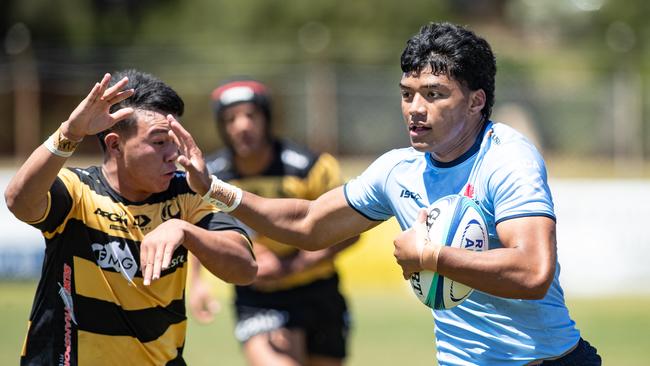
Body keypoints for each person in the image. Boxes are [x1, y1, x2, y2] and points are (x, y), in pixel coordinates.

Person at [141, 23, 606, 364]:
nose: (415, 109)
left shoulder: (507, 157)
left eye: (434, 94)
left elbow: (533, 271)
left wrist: (433, 257)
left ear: (476, 100)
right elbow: (307, 224)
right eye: (407, 94)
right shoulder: (397, 171)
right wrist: (217, 189)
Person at [3, 69, 257, 365]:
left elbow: (245, 269)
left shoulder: (187, 193)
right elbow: (18, 201)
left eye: (175, 141)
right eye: (160, 142)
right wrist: (69, 133)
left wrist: (186, 232)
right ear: (115, 144)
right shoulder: (79, 192)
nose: (173, 154)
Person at [188, 78, 357, 366]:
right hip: (258, 297)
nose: (242, 126)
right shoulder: (210, 177)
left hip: (319, 291)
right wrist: (197, 282)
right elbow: (198, 225)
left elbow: (348, 230)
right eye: (230, 119)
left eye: (250, 116)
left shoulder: (310, 167)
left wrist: (292, 266)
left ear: (267, 119)